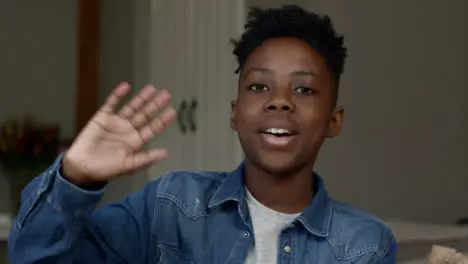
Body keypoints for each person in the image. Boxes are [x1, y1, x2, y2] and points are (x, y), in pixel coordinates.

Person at [8, 5, 397, 264]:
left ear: (334, 120)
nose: (280, 102)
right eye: (259, 87)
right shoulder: (170, 206)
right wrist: (74, 178)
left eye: (304, 89)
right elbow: (35, 257)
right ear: (235, 113)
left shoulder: (363, 245)